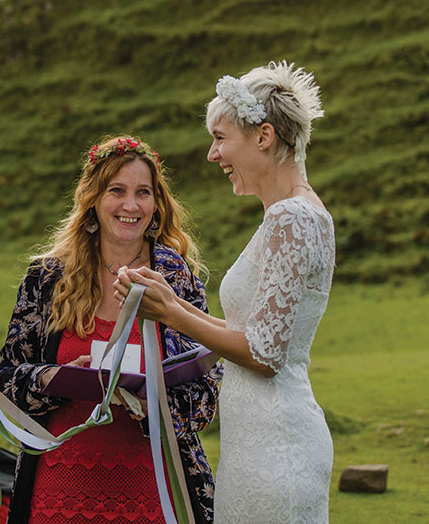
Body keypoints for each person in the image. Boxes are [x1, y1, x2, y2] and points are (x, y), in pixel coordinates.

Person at [114, 62, 334, 524]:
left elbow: (265, 354)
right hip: (259, 440)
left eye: (220, 137)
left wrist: (174, 313)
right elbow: (249, 331)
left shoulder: (290, 219)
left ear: (263, 136)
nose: (213, 154)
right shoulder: (298, 213)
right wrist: (166, 304)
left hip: (276, 445)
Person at [0, 135, 222, 524]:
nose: (131, 205)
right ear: (93, 198)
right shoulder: (47, 277)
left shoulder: (176, 279)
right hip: (59, 490)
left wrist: (155, 406)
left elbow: (205, 392)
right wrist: (56, 377)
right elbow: (7, 379)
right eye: (117, 190)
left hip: (155, 493)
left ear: (156, 203)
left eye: (143, 192)